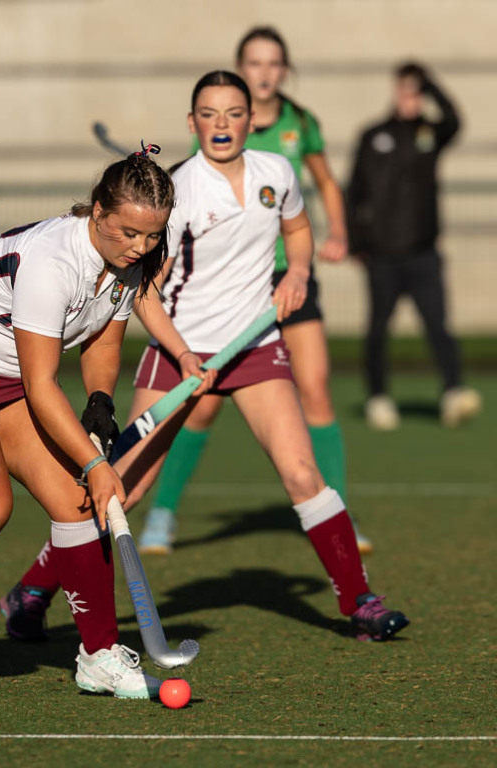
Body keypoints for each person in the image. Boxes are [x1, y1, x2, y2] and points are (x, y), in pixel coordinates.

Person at [0, 72, 410, 649]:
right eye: (210, 115)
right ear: (193, 124)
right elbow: (144, 291)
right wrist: (183, 352)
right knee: (124, 489)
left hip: (254, 347)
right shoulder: (181, 193)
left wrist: (297, 272)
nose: (222, 125)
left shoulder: (277, 173)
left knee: (301, 472)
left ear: (251, 120)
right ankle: (32, 590)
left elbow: (297, 228)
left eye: (234, 113)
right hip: (181, 353)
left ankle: (360, 603)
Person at [0, 149, 212, 699]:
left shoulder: (130, 260)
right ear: (98, 211)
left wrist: (100, 401)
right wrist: (95, 463)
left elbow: (104, 341)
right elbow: (42, 385)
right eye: (128, 233)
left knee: (76, 506)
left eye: (151, 236)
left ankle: (98, 657)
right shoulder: (52, 263)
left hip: (7, 373)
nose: (141, 248)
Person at [128, 26, 369, 557]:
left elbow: (323, 185)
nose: (265, 72)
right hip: (212, 298)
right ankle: (162, 512)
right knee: (199, 412)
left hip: (284, 284)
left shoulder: (298, 126)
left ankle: (339, 514)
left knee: (316, 389)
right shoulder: (213, 137)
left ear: (284, 71)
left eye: (273, 63)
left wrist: (324, 245)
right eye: (255, 63)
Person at [347, 61, 482, 430]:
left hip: (423, 253)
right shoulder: (373, 135)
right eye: (405, 88)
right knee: (378, 330)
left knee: (438, 326)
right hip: (382, 255)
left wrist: (430, 84)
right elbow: (354, 191)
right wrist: (357, 242)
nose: (409, 96)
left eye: (416, 90)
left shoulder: (430, 133)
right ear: (394, 90)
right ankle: (378, 397)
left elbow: (455, 120)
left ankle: (453, 391)